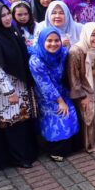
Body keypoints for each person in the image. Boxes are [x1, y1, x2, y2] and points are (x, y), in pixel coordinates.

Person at [0, 3, 37, 169]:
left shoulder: (11, 31)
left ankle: (24, 154)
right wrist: (9, 91)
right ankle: (16, 158)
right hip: (1, 91)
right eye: (2, 16)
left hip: (16, 84)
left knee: (18, 121)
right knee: (9, 123)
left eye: (7, 14)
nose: (6, 18)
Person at [29, 27, 79, 161]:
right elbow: (45, 85)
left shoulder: (62, 52)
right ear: (41, 41)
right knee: (58, 116)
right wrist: (60, 101)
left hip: (62, 90)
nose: (53, 44)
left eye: (57, 40)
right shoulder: (36, 60)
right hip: (46, 95)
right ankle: (54, 150)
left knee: (72, 112)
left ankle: (70, 147)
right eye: (49, 41)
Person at [67, 22, 95, 154]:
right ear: (86, 35)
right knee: (89, 114)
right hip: (82, 88)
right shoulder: (76, 51)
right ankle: (90, 142)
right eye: (93, 35)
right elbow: (73, 77)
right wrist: (82, 96)